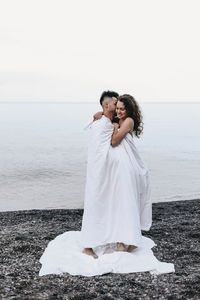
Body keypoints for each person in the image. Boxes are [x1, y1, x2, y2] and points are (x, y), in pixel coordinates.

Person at [80, 93, 152, 259]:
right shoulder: (108, 121)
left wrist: (113, 128)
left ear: (128, 109)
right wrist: (98, 117)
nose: (119, 110)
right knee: (120, 203)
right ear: (108, 106)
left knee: (125, 202)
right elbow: (100, 142)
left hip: (125, 167)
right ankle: (122, 239)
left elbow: (114, 141)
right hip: (114, 170)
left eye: (122, 108)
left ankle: (126, 239)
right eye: (117, 106)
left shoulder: (127, 121)